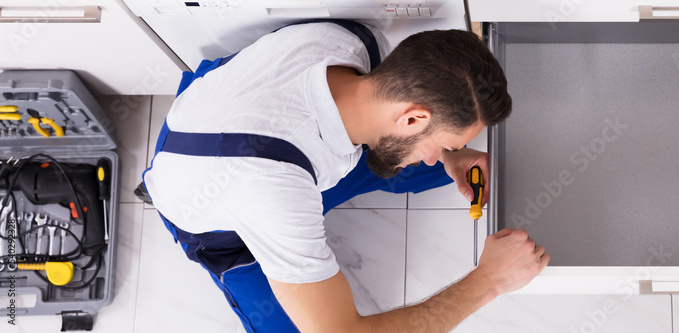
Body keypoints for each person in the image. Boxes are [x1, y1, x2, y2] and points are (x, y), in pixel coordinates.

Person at [140, 21, 550, 332]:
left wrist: (449, 158)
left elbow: (408, 142)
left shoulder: (354, 43)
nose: (436, 157)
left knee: (405, 159)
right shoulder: (269, 190)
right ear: (412, 117)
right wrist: (488, 282)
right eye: (443, 144)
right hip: (221, 215)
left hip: (231, 117)